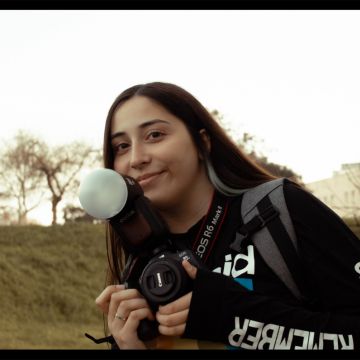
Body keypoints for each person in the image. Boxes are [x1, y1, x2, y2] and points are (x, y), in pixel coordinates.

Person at [94, 81, 360, 350]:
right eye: (121, 146)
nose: (136, 158)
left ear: (202, 143)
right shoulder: (139, 268)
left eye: (154, 135)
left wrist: (238, 319)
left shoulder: (279, 210)